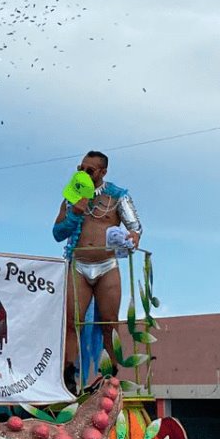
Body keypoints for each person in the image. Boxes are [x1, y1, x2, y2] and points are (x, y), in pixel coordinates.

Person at [53, 150, 142, 387]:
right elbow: (57, 233)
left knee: (109, 322)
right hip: (78, 266)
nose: (83, 173)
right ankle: (68, 376)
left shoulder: (118, 195)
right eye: (80, 168)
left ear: (103, 172)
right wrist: (75, 212)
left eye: (89, 170)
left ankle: (110, 376)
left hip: (107, 266)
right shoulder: (71, 196)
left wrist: (132, 239)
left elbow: (135, 227)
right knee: (72, 322)